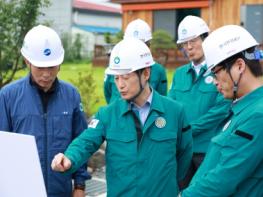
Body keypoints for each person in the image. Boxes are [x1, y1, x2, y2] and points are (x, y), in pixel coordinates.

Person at [51, 38, 192, 197]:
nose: (120, 85)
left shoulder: (175, 112)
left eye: (125, 77)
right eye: (116, 78)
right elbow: (86, 141)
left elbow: (184, 156)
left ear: (145, 74)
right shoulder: (108, 114)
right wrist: (69, 158)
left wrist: (166, 184)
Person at [0, 25, 90, 197]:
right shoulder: (7, 96)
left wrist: (79, 185)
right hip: (20, 191)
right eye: (40, 67)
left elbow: (81, 141)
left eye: (52, 67)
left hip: (61, 191)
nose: (47, 74)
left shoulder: (71, 95)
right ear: (27, 61)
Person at [181, 25, 263, 196]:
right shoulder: (243, 108)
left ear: (240, 66)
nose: (214, 81)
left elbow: (224, 177)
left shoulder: (257, 115)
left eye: (216, 72)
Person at [168, 15, 230, 183]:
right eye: (184, 43)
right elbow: (170, 107)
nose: (188, 47)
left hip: (209, 149)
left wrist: (188, 129)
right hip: (183, 149)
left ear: (205, 39)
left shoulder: (219, 70)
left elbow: (222, 109)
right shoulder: (179, 74)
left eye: (193, 41)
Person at [104, 18, 167, 104]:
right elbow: (108, 93)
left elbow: (161, 99)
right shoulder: (114, 67)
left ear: (148, 46)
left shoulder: (158, 70)